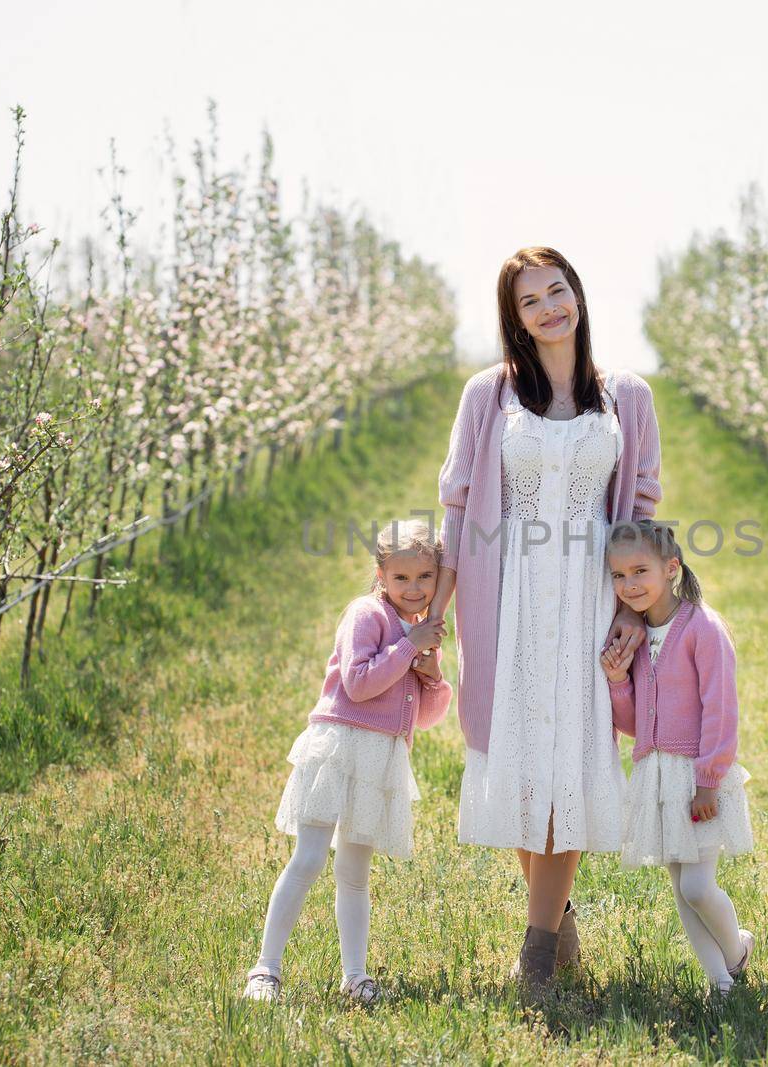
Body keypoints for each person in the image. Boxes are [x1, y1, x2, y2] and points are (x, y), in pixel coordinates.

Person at [431, 246, 663, 1001]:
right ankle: (558, 920)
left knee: (569, 756)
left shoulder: (626, 396)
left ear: (578, 295)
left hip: (593, 598)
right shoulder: (487, 395)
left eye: (557, 290)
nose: (549, 308)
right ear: (516, 319)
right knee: (518, 763)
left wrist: (634, 609)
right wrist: (431, 616)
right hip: (511, 598)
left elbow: (643, 512)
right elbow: (460, 505)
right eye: (530, 301)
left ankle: (534, 959)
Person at [241, 520, 452, 1005]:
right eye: (401, 579)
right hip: (338, 748)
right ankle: (265, 968)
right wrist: (408, 647)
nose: (414, 589)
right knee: (310, 858)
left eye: (425, 577)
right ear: (381, 575)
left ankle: (354, 976)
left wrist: (433, 673)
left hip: (380, 759)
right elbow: (358, 685)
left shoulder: (422, 632)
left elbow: (429, 716)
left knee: (355, 874)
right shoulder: (366, 615)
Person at [603, 519, 754, 994]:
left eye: (639, 571)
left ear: (671, 568)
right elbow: (635, 726)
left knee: (697, 887)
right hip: (657, 776)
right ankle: (721, 985)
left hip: (697, 774)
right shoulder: (637, 637)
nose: (629, 585)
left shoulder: (702, 629)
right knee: (681, 892)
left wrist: (709, 778)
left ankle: (738, 950)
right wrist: (617, 681)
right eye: (618, 576)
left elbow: (721, 709)